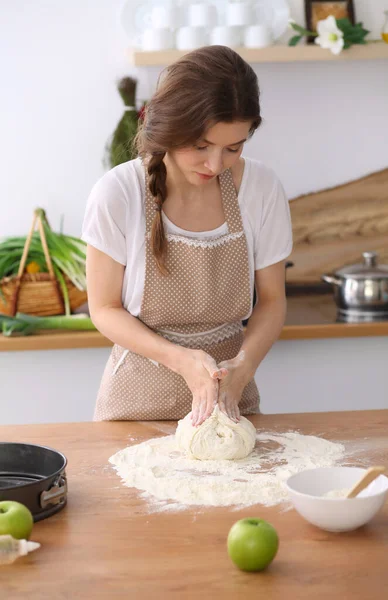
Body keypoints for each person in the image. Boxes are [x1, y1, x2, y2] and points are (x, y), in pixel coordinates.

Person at [82, 45, 292, 427]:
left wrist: (240, 371)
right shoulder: (118, 192)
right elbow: (104, 308)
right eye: (200, 146)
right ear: (169, 128)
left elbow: (273, 301)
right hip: (135, 407)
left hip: (231, 403)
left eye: (233, 147)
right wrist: (181, 360)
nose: (215, 164)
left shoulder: (261, 188)